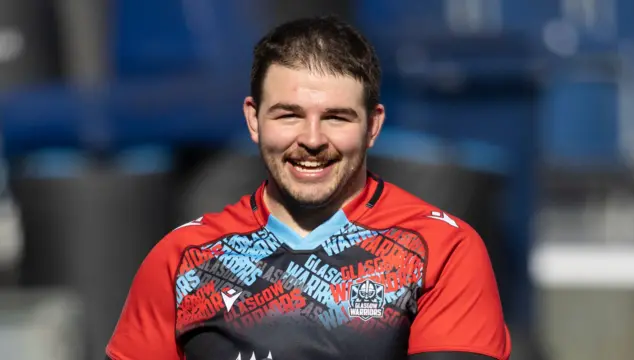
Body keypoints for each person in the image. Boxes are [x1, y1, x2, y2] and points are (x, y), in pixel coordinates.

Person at [106, 16, 511, 360]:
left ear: (373, 126)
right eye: (289, 115)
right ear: (254, 120)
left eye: (336, 117)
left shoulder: (441, 250)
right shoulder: (181, 260)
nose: (312, 139)